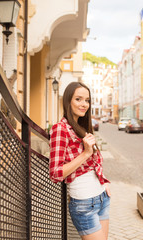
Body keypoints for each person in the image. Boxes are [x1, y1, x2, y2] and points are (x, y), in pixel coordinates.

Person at [49, 82, 111, 240]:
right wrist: (85, 153)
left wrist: (104, 182)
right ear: (68, 101)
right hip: (84, 203)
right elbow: (56, 174)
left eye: (87, 100)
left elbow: (96, 162)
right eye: (78, 99)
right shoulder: (60, 129)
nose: (84, 104)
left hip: (102, 197)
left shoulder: (82, 128)